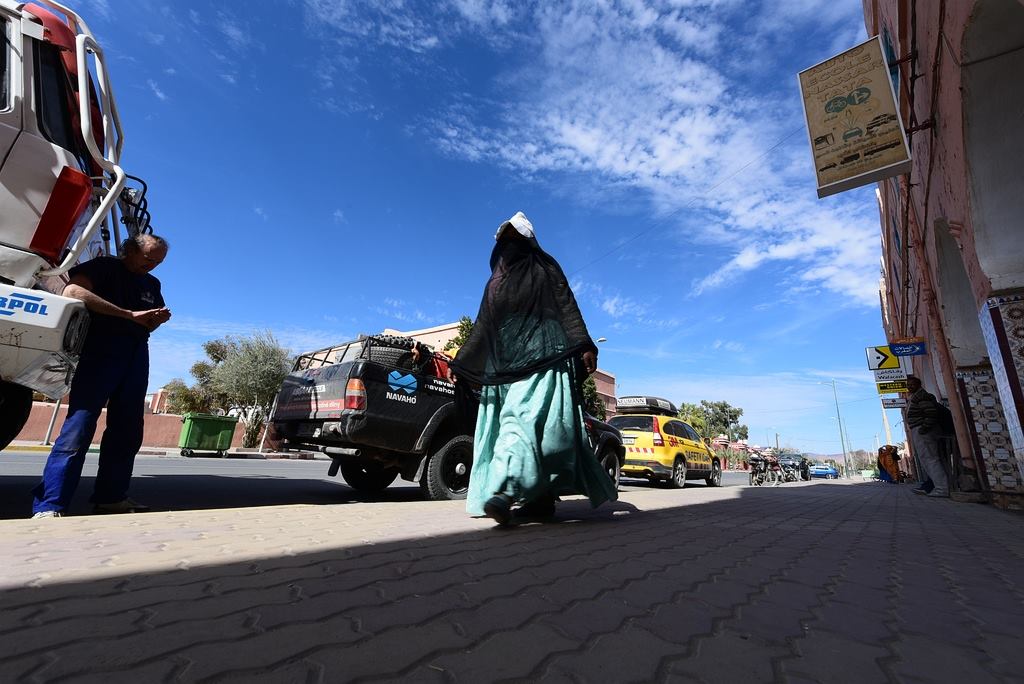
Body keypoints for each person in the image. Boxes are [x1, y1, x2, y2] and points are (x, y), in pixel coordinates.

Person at [450, 211, 617, 525]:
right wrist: (462, 362)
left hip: (545, 359)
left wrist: (584, 345)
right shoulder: (496, 283)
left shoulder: (545, 269)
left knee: (525, 424)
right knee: (517, 429)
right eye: (504, 242)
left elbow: (566, 305)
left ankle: (505, 491)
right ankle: (538, 500)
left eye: (514, 240)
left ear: (527, 242)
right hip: (507, 365)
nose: (507, 248)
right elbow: (484, 326)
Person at [31, 234, 171, 518]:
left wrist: (154, 320)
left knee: (127, 430)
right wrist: (128, 314)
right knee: (79, 426)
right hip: (101, 349)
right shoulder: (104, 267)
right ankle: (50, 504)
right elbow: (72, 293)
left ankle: (111, 497)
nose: (152, 266)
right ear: (130, 250)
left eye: (158, 262)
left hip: (136, 354)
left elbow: (145, 324)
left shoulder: (152, 284)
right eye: (148, 259)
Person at [905, 375, 949, 498]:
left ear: (918, 384)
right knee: (930, 459)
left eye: (912, 384)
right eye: (908, 384)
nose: (909, 386)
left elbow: (930, 413)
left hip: (923, 431)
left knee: (930, 459)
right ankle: (936, 486)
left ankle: (942, 488)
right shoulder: (915, 396)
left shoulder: (921, 396)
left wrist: (924, 428)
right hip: (920, 429)